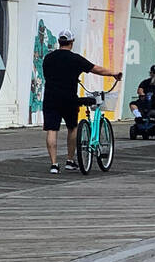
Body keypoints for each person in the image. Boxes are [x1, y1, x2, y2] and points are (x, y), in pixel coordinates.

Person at [41, 32, 121, 172]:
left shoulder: (48, 58)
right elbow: (96, 69)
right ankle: (70, 160)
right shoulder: (75, 59)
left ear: (59, 42)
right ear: (72, 42)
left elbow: (46, 75)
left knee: (51, 130)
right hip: (69, 98)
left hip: (50, 98)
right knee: (72, 128)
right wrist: (113, 74)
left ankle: (54, 164)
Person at [131, 65, 155, 132]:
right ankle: (139, 117)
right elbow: (140, 90)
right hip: (146, 102)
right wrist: (142, 94)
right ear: (151, 73)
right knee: (133, 105)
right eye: (154, 73)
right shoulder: (145, 82)